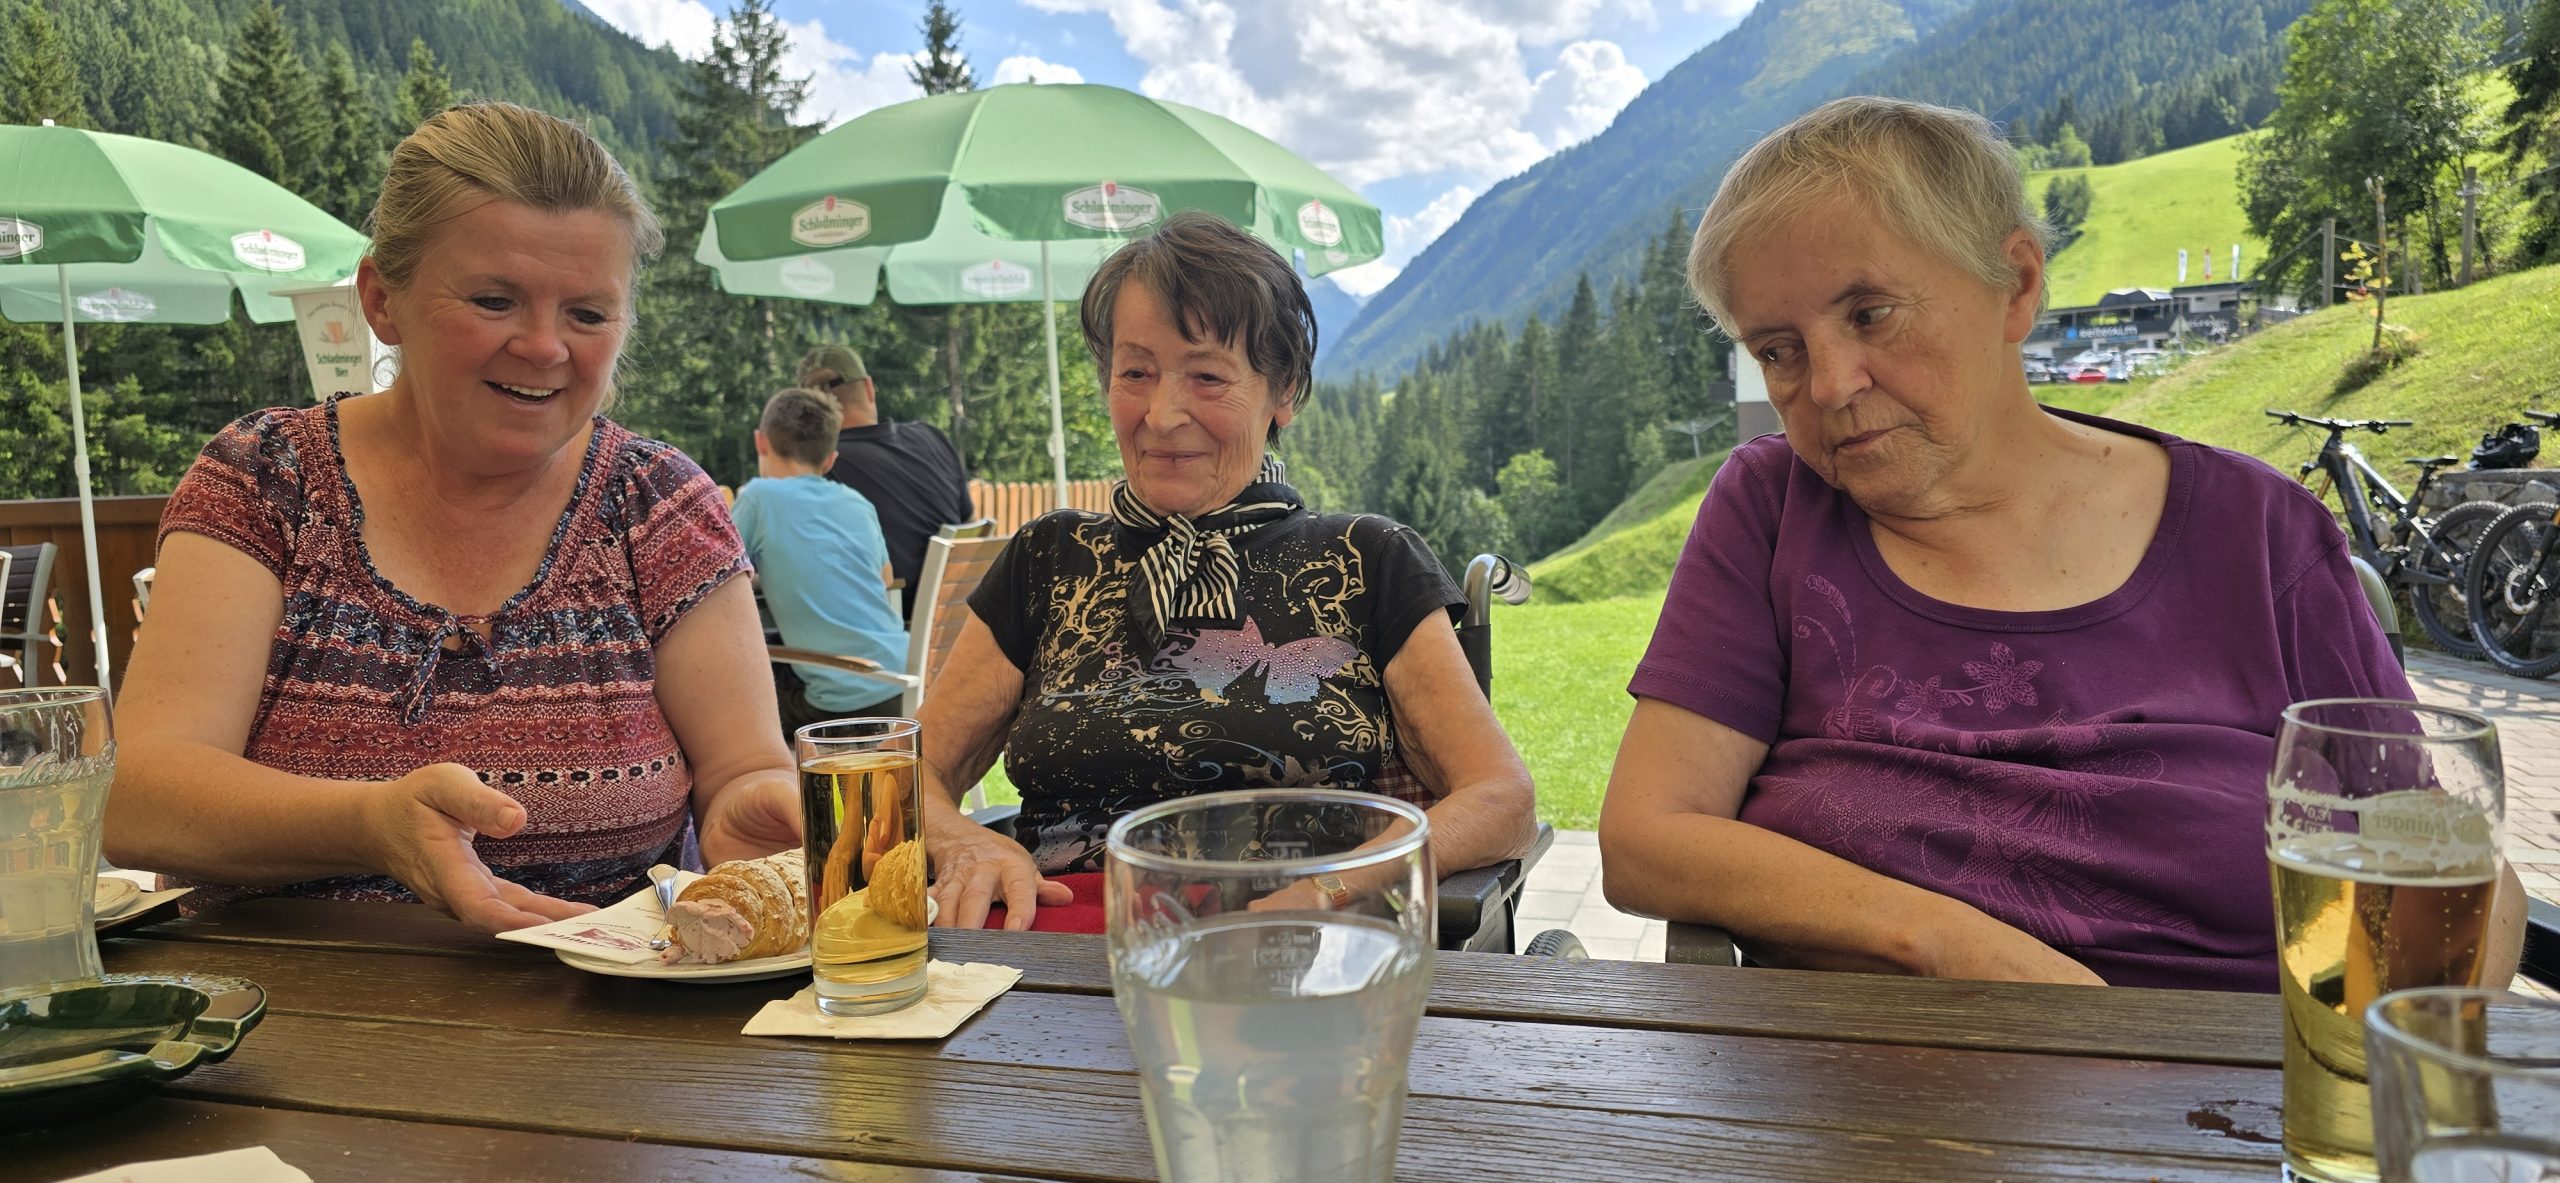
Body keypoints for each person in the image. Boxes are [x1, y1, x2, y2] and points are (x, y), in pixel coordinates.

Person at [1595, 96, 2523, 992]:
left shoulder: (2259, 533)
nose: (1830, 383)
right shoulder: (1774, 508)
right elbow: (1647, 837)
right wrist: (1945, 946)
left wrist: (2392, 1064)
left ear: (2017, 283)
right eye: (1778, 350)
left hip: (2236, 1077)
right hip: (1871, 1072)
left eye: (1870, 313)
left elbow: (2437, 854)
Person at [103, 102, 802, 936]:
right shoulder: (265, 480)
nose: (544, 346)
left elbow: (742, 769)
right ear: (382, 299)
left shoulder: (659, 503)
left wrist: (754, 807)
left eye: (587, 313)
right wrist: (370, 824)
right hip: (275, 1008)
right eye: (494, 300)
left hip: (609, 1008)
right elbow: (135, 797)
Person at [916, 212, 1538, 930]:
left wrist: (1330, 888)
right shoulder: (1048, 558)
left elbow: (1501, 799)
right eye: (1135, 372)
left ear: (1285, 392)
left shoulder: (1366, 559)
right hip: (1055, 944)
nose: (1161, 414)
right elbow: (910, 772)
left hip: (1287, 941)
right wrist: (964, 840)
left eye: (1207, 376)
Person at [734, 386, 910, 734]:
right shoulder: (857, 503)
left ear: (761, 442)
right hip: (904, 683)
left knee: (728, 710)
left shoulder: (758, 498)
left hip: (841, 706)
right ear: (830, 459)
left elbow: (715, 573)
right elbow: (885, 578)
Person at [798, 344, 975, 619]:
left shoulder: (819, 470)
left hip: (881, 632)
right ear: (869, 388)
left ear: (807, 412)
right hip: (956, 626)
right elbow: (970, 527)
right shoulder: (932, 438)